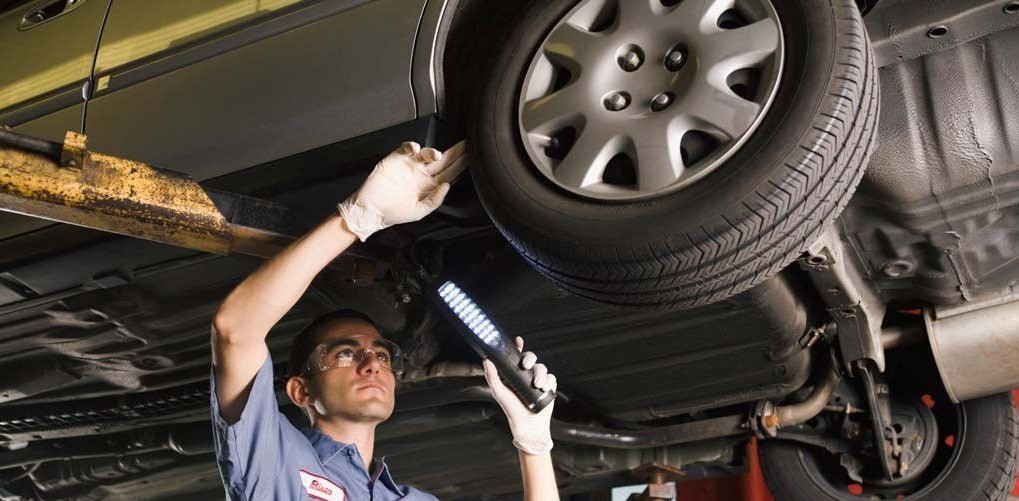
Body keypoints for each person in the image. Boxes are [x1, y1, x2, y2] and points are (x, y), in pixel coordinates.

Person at [209, 140, 560, 500]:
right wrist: (356, 219)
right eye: (345, 353)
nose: (372, 364)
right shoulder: (276, 462)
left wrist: (534, 445)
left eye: (381, 354)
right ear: (302, 391)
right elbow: (235, 329)